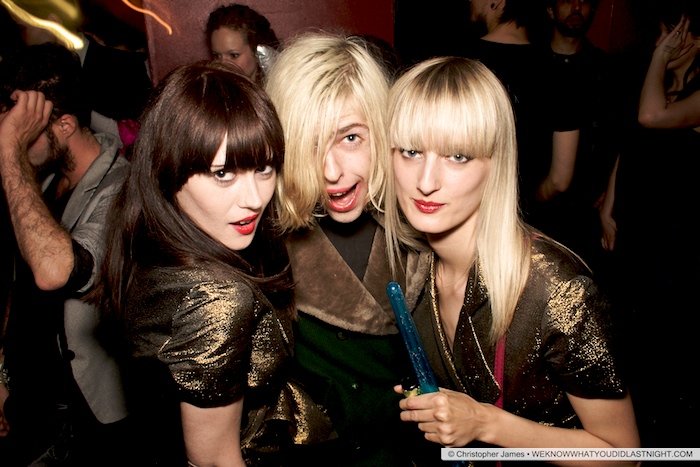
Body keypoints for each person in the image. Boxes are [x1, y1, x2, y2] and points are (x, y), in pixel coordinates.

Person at [383, 56, 640, 465]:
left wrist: (487, 423)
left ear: (495, 164)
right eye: (411, 151)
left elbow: (624, 456)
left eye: (458, 156)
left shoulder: (558, 292)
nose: (426, 182)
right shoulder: (408, 267)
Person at [96, 60, 332, 466]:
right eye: (223, 173)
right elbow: (213, 460)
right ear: (168, 168)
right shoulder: (217, 298)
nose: (254, 198)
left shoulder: (146, 242)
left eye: (263, 168)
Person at [264, 32, 430, 466]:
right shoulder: (265, 249)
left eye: (350, 138)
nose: (331, 171)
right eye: (310, 144)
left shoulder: (430, 221)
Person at [0, 42, 130, 466]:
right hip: (31, 403)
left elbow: (53, 269)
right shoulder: (40, 183)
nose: (16, 139)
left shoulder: (122, 190)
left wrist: (9, 149)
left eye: (24, 129)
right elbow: (19, 289)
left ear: (66, 125)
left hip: (85, 416)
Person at [600, 0, 700, 448]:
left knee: (662, 341)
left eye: (673, 33)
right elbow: (631, 143)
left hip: (675, 236)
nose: (664, 42)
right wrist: (609, 204)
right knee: (625, 332)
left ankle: (660, 441)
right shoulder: (655, 82)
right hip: (636, 227)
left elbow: (650, 118)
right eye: (661, 33)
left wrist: (659, 59)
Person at [460, 0, 581, 236]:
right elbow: (560, 180)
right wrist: (526, 203)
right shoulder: (560, 72)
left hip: (467, 219)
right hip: (527, 226)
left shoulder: (459, 65)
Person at [543, 0, 619, 282]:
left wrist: (609, 189)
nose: (577, 7)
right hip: (536, 205)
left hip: (586, 212)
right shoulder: (531, 65)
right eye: (567, 0)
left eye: (584, 1)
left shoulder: (606, 69)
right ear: (550, 9)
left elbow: (618, 135)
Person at [206, 3, 280, 84]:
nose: (222, 65)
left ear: (257, 53)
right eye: (216, 56)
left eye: (233, 55)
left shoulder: (280, 88)